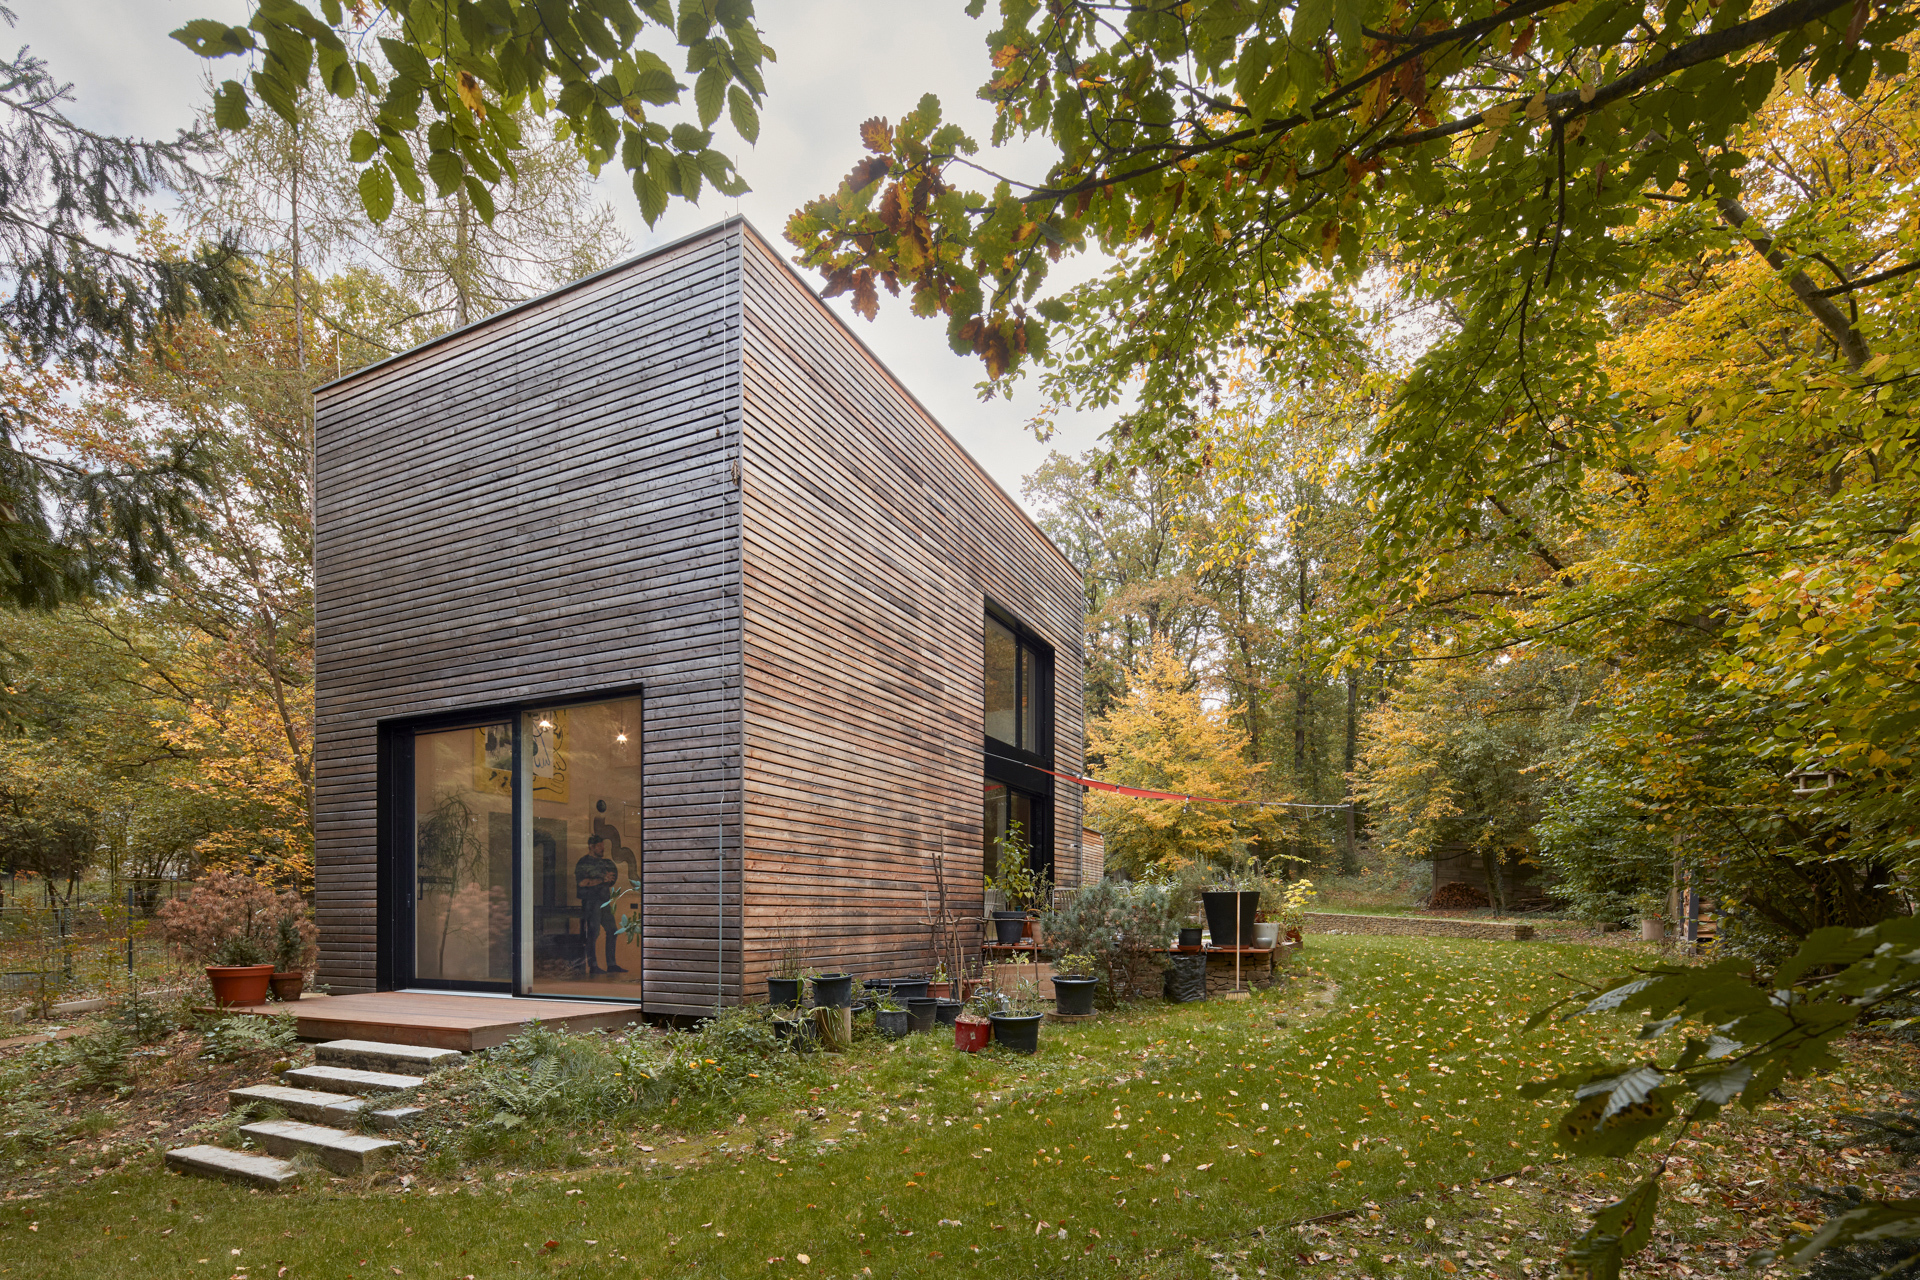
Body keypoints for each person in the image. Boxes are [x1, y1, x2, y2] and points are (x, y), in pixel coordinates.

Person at [575, 834, 624, 974]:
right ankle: (593, 966)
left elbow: (611, 879)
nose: (602, 849)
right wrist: (602, 879)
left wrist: (609, 879)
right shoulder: (583, 862)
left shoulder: (605, 863)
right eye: (599, 846)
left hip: (604, 901)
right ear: (591, 847)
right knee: (593, 933)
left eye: (603, 846)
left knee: (612, 930)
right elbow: (582, 883)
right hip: (591, 902)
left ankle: (611, 964)